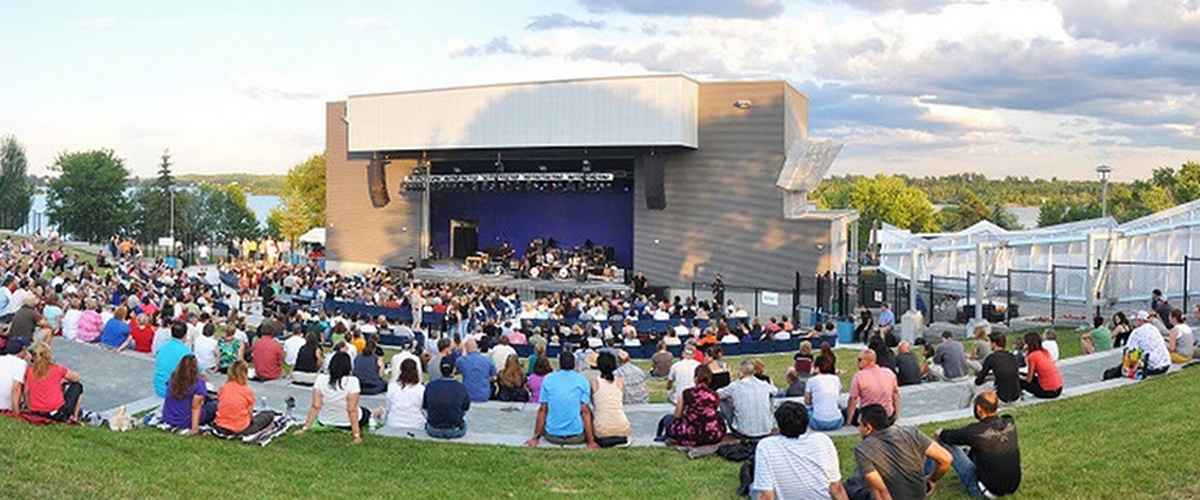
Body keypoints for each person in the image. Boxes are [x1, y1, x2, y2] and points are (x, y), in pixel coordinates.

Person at [843, 404, 953, 500]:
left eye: (860, 425)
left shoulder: (863, 450)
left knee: (851, 486)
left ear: (868, 427)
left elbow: (881, 493)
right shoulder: (911, 433)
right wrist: (932, 479)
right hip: (918, 495)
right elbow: (945, 458)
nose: (859, 429)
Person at [930, 391, 1022, 498]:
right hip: (1012, 487)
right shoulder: (1009, 422)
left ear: (979, 409)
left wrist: (938, 433)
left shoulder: (974, 432)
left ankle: (928, 478)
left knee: (943, 442)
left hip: (982, 491)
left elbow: (943, 435)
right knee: (976, 448)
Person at [751, 402, 848, 500]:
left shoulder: (766, 446)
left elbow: (767, 496)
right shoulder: (822, 440)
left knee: (754, 488)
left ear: (779, 424)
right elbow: (836, 488)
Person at [527, 351, 598, 449]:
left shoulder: (548, 379)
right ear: (574, 364)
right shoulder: (582, 380)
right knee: (588, 410)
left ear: (560, 364)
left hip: (552, 435)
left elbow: (543, 409)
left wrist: (535, 437)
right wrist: (591, 441)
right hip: (576, 436)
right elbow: (585, 411)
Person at [297, 352, 370, 444]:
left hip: (325, 420)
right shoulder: (352, 381)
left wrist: (305, 428)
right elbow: (352, 410)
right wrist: (356, 435)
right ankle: (376, 413)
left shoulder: (321, 379)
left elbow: (316, 405)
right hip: (345, 423)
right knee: (366, 412)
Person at [658, 364, 726, 447]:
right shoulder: (714, 395)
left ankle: (660, 435)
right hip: (711, 435)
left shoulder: (686, 393)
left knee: (668, 419)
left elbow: (677, 415)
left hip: (689, 434)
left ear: (695, 378)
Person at [24, 343, 84, 422]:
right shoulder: (57, 368)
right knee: (78, 386)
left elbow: (26, 392)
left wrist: (30, 408)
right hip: (56, 413)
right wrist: (65, 381)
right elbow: (76, 378)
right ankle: (75, 417)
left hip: (36, 411)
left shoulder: (30, 370)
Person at [214, 360, 276, 436]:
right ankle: (267, 428)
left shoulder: (223, 388)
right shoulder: (247, 391)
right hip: (241, 428)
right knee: (269, 415)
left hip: (221, 426)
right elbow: (250, 413)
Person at [718, 359, 777, 439]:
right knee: (770, 396)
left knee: (724, 400)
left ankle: (736, 422)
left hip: (743, 432)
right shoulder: (764, 385)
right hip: (765, 430)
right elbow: (775, 390)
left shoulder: (734, 386)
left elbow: (718, 394)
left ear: (741, 373)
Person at [162, 355, 216, 434]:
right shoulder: (198, 383)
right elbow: (196, 408)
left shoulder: (172, 380)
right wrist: (194, 429)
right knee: (215, 405)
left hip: (169, 417)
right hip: (186, 419)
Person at [846, 349, 900, 426]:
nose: (857, 362)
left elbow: (853, 399)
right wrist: (896, 414)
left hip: (869, 417)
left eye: (859, 360)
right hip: (888, 415)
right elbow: (895, 394)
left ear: (867, 361)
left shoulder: (859, 376)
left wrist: (849, 421)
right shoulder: (888, 373)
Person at [590, 351, 632, 447]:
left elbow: (594, 403)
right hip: (623, 428)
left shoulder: (594, 382)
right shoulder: (620, 381)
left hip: (601, 430)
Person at [423, 357, 471, 439]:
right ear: (454, 370)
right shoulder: (461, 387)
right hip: (455, 430)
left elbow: (425, 407)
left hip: (433, 429)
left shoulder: (430, 386)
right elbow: (465, 409)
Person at [968, 333, 1021, 406]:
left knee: (973, 386)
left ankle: (968, 408)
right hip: (1016, 397)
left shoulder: (991, 358)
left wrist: (985, 379)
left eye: (989, 342)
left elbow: (979, 380)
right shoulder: (1011, 356)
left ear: (994, 344)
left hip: (1002, 399)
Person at [1123, 310, 1172, 376]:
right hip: (1166, 364)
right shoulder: (1154, 328)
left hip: (1152, 367)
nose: (1134, 323)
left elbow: (1129, 350)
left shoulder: (1136, 332)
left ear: (1140, 320)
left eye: (1136, 320)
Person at [154, 321, 192, 398]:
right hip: (173, 391)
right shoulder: (186, 352)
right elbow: (200, 372)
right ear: (185, 335)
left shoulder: (162, 347)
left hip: (159, 387)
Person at [1020, 332, 1063, 399]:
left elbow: (1028, 379)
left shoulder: (1032, 356)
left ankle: (1015, 397)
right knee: (1022, 374)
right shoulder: (1045, 352)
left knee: (1018, 379)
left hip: (1048, 391)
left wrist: (1019, 377)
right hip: (1058, 388)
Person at [385, 358, 425, 429]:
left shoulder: (392, 386)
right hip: (416, 424)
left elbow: (389, 406)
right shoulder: (421, 389)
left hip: (394, 422)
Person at [806, 354, 843, 431]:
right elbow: (838, 396)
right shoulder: (836, 379)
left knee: (807, 411)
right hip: (837, 422)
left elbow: (807, 401)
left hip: (818, 422)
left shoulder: (811, 381)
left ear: (817, 368)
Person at [456, 338, 497, 403]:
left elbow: (454, 373)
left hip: (467, 395)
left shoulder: (461, 361)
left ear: (466, 348)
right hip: (484, 395)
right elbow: (494, 377)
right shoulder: (488, 360)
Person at [0, 337, 30, 411]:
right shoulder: (20, 364)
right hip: (7, 405)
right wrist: (16, 411)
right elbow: (16, 388)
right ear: (22, 350)